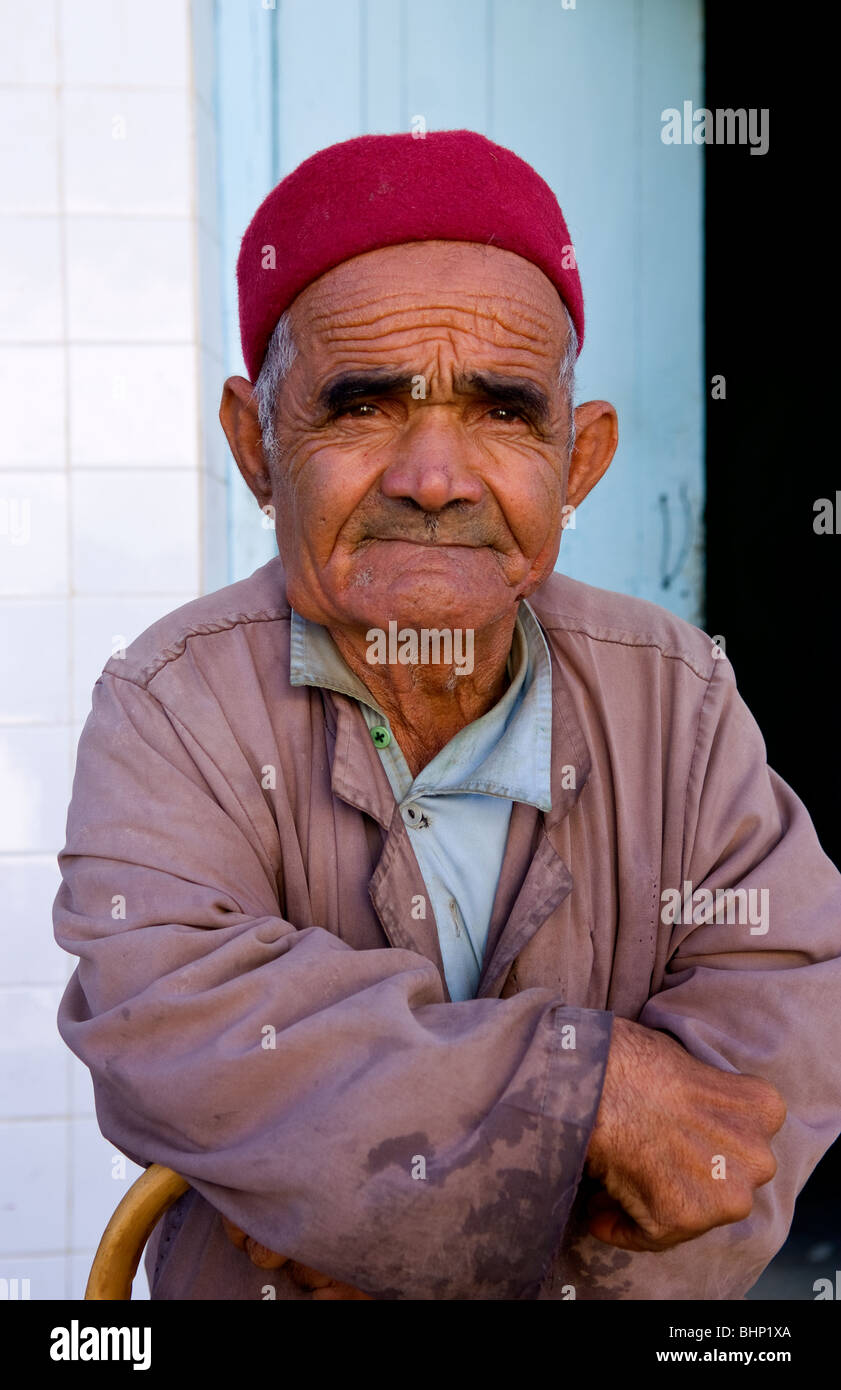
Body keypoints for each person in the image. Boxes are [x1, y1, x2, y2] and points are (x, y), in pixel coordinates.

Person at [54, 130, 841, 1301]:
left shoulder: (675, 692)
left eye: (501, 410)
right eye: (364, 405)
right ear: (254, 447)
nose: (434, 474)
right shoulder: (168, 702)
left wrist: (403, 1238)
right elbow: (170, 1028)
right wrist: (589, 1088)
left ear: (578, 460)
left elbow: (777, 1037)